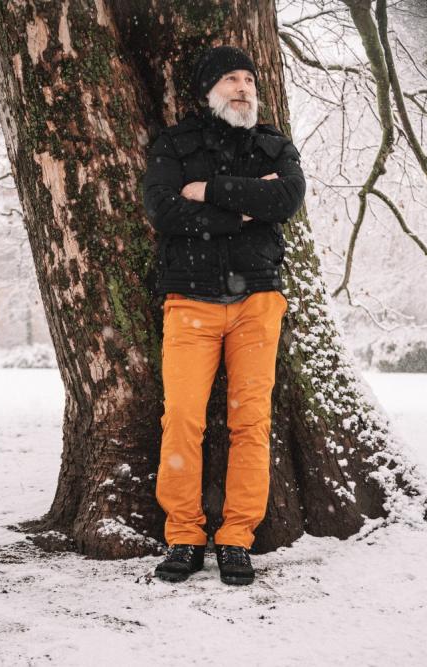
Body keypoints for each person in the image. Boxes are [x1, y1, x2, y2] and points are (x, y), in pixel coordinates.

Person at [140, 45, 306, 585]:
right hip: (190, 301)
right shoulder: (174, 144)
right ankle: (184, 536)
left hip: (257, 301)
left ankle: (237, 537)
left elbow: (287, 200)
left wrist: (210, 192)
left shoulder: (273, 143)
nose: (243, 87)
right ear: (208, 90)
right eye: (231, 79)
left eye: (249, 79)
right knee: (182, 419)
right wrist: (244, 210)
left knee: (250, 423)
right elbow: (164, 210)